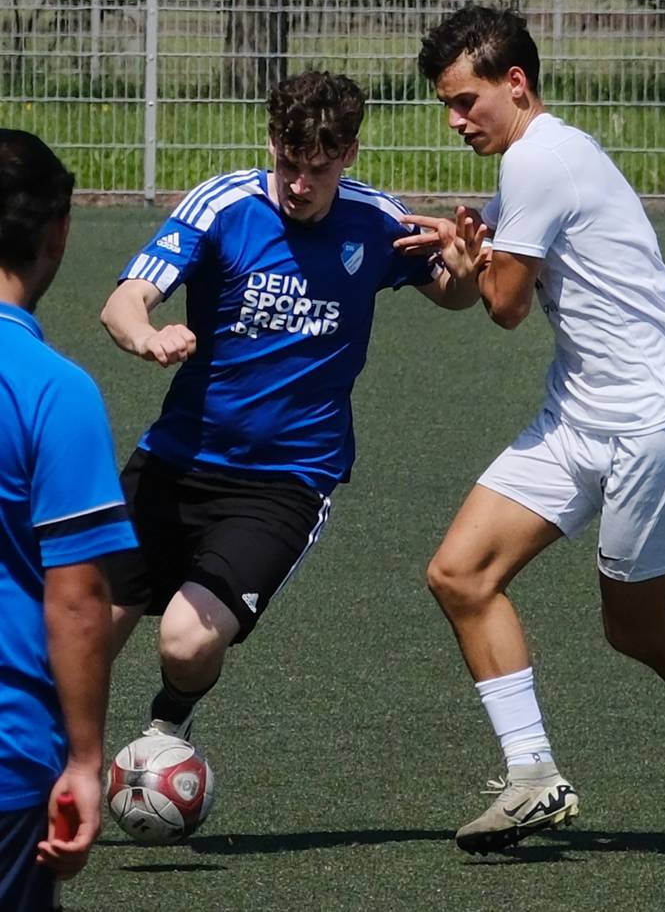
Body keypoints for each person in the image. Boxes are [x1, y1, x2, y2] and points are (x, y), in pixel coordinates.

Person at [397, 6, 665, 855]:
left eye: (466, 103)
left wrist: (474, 263)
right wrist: (455, 260)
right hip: (580, 416)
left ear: (516, 84)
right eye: (446, 107)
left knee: (634, 626)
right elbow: (475, 290)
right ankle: (533, 776)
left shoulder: (542, 161)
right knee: (459, 574)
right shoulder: (532, 160)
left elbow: (500, 307)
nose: (456, 121)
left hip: (653, 428)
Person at [99, 71, 484, 752]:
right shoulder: (223, 205)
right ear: (270, 141)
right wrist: (148, 334)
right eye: (286, 162)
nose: (299, 185)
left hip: (285, 481)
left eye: (318, 168)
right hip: (174, 461)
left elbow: (452, 297)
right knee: (83, 633)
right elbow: (123, 302)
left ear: (349, 156)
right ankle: (46, 769)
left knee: (185, 642)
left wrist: (467, 271)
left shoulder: (376, 220)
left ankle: (169, 721)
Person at [0, 130, 138, 910]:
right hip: (10, 754)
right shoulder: (54, 391)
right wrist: (86, 761)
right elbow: (80, 597)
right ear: (59, 234)